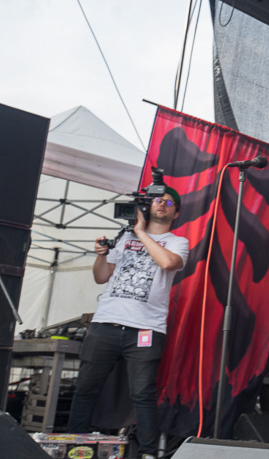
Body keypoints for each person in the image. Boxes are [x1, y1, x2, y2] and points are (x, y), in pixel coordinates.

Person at [68, 187, 189, 459]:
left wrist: (141, 232)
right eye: (157, 200)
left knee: (143, 394)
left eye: (169, 203)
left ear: (176, 213)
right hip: (106, 323)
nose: (162, 204)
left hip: (146, 328)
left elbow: (168, 263)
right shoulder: (124, 238)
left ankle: (147, 453)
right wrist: (101, 254)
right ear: (148, 206)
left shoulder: (177, 242)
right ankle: (75, 446)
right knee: (86, 387)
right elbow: (101, 277)